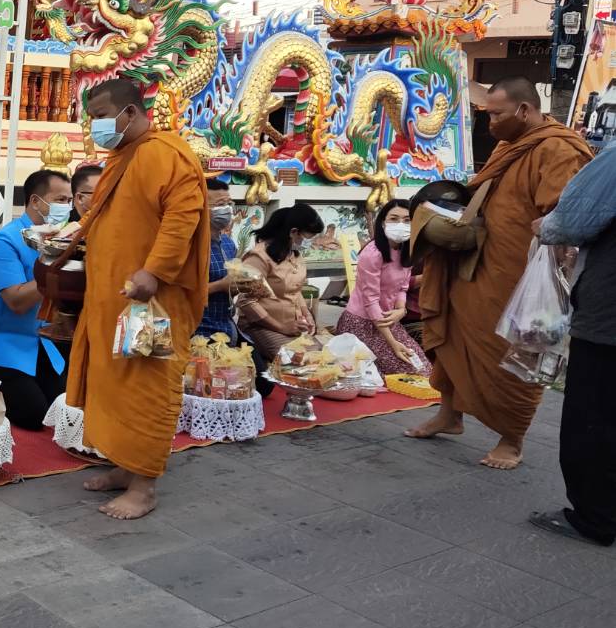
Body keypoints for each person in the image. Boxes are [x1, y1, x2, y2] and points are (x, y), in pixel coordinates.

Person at [411, 77, 593, 469]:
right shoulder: (510, 145)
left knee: (514, 351)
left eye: (496, 114)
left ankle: (512, 439)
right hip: (475, 263)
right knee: (454, 339)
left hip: (518, 276)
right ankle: (450, 414)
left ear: (524, 110)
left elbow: (561, 216)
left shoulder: (559, 149)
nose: (490, 122)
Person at [68, 78, 209, 520]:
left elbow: (182, 216)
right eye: (91, 118)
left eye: (101, 116)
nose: (96, 126)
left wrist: (154, 271)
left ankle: (144, 485)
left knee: (146, 385)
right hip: (114, 299)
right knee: (114, 385)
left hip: (151, 301)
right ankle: (123, 466)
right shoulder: (122, 157)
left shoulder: (165, 154)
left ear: (130, 112)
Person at [531, 143, 616, 544]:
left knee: (592, 416)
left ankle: (594, 517)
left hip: (609, 318)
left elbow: (572, 222)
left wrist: (545, 227)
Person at [0, 169, 72, 429]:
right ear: (35, 201)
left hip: (42, 341)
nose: (66, 207)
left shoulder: (65, 238)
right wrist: (55, 265)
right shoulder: (6, 240)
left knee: (63, 410)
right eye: (60, 200)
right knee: (34, 415)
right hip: (2, 342)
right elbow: (17, 302)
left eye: (69, 200)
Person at [334, 200, 430, 377]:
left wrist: (400, 309)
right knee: (399, 374)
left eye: (407, 220)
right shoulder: (373, 253)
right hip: (362, 323)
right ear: (383, 222)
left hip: (388, 321)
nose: (400, 225)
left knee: (422, 369)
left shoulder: (406, 249)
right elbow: (370, 300)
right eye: (394, 219)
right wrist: (393, 343)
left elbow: (403, 286)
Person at [235, 204, 324, 361]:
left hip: (292, 326)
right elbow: (246, 301)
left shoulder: (294, 255)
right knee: (294, 362)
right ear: (293, 232)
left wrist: (306, 314)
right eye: (309, 237)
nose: (311, 242)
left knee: (320, 358)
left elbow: (295, 291)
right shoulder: (259, 257)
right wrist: (281, 327)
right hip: (261, 326)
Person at [195, 179, 238, 341]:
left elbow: (230, 285)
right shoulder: (190, 247)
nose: (227, 210)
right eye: (220, 204)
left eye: (229, 203)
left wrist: (239, 286)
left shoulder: (228, 243)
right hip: (200, 332)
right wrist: (220, 286)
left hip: (227, 327)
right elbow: (179, 295)